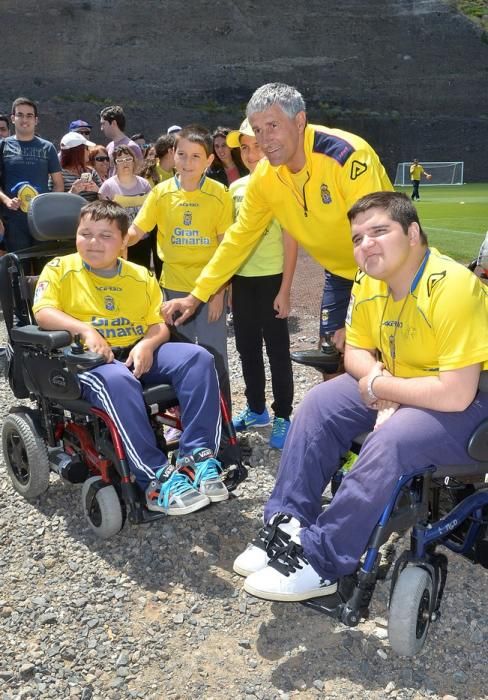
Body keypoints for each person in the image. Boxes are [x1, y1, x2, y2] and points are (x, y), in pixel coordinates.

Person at [232, 191, 488, 602]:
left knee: (394, 438)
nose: (365, 244)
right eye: (357, 238)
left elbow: (456, 393)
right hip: (402, 383)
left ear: (413, 234)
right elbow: (354, 351)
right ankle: (288, 522)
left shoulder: (453, 287)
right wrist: (375, 380)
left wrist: (380, 388)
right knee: (319, 404)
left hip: (470, 402)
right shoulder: (369, 282)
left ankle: (324, 560)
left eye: (379, 231)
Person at [162, 83, 393, 364]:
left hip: (384, 269)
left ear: (299, 121)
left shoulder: (346, 156)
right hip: (339, 272)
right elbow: (239, 239)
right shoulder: (265, 178)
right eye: (257, 130)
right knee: (331, 358)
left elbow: (376, 241)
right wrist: (196, 296)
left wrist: (359, 317)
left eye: (272, 125)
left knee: (384, 357)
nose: (264, 139)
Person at [32, 199, 228, 514]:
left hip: (136, 349)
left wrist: (148, 345)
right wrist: (85, 330)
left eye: (105, 235)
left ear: (125, 241)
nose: (93, 242)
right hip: (86, 360)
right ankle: (156, 480)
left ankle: (197, 459)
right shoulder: (59, 269)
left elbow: (157, 325)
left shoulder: (139, 275)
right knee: (119, 379)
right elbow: (43, 313)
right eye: (86, 233)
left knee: (199, 358)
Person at [128, 125, 234, 409]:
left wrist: (220, 293)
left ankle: (223, 423)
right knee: (179, 357)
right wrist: (107, 244)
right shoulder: (160, 193)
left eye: (196, 157)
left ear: (209, 161)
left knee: (215, 357)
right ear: (173, 155)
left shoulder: (219, 194)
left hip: (209, 290)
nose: (188, 163)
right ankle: (180, 417)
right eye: (182, 154)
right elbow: (136, 231)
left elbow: (226, 249)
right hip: (173, 289)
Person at [228, 118, 297, 449]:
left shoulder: (282, 184)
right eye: (244, 147)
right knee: (247, 350)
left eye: (256, 145)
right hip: (242, 281)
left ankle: (283, 414)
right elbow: (230, 241)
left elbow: (290, 239)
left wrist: (285, 289)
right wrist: (227, 287)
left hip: (271, 280)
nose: (251, 153)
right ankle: (256, 409)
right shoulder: (235, 188)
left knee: (278, 352)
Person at [0, 97, 63, 252]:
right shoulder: (2, 146)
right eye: (20, 115)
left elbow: (58, 184)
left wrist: (47, 208)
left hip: (41, 219)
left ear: (36, 120)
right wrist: (7, 201)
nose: (24, 119)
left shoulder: (48, 148)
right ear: (13, 119)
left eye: (29, 115)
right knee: (19, 268)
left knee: (44, 265)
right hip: (13, 220)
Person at [98, 145, 152, 268]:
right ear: (115, 164)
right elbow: (103, 216)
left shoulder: (144, 184)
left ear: (134, 161)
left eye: (128, 159)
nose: (125, 163)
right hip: (118, 241)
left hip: (142, 239)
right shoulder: (107, 187)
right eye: (120, 160)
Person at [56, 132, 101, 201]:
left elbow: (105, 198)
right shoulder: (57, 174)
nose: (89, 151)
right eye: (86, 148)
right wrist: (72, 192)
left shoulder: (92, 172)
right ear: (77, 152)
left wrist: (98, 190)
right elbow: (54, 202)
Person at [100, 105, 143, 175]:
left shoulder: (131, 147)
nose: (101, 128)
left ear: (113, 123)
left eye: (103, 124)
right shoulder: (109, 146)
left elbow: (139, 173)